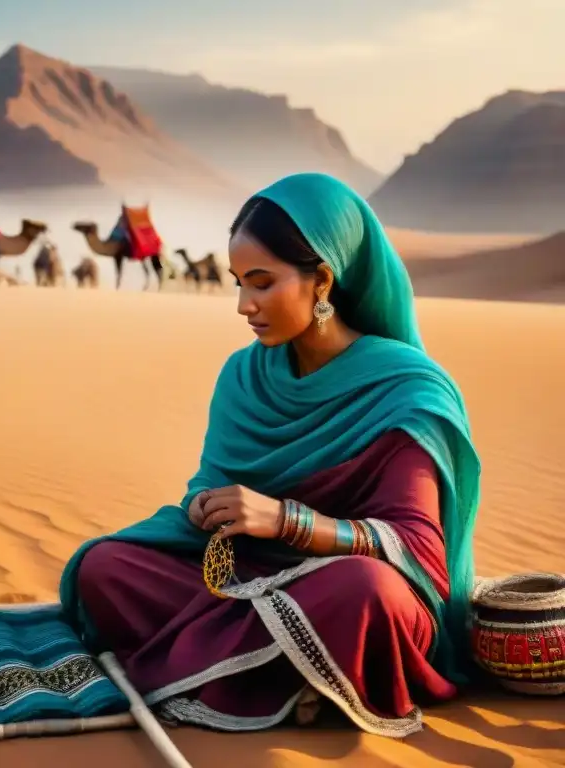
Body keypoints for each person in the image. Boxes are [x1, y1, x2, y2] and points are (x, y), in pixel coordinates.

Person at [58, 172, 481, 738]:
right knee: (103, 568)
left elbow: (415, 546)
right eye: (238, 283)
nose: (242, 305)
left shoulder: (405, 388)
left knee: (364, 594)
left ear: (322, 281)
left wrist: (287, 521)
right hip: (246, 575)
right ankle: (292, 672)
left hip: (345, 588)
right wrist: (206, 507)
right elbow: (210, 485)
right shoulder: (243, 375)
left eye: (261, 283)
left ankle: (242, 666)